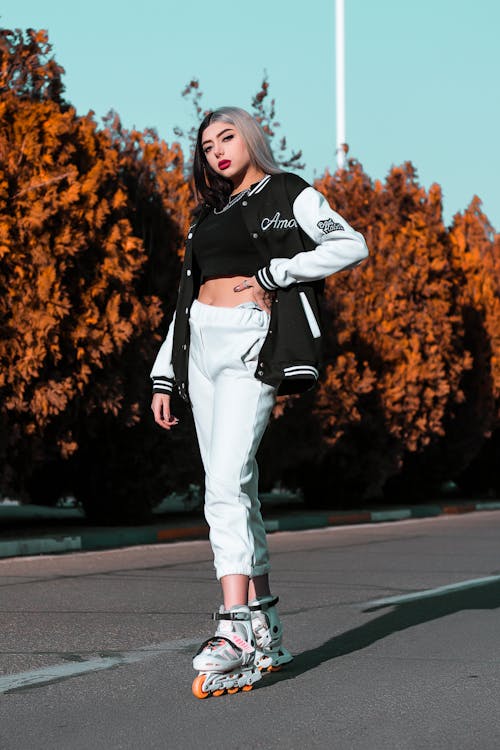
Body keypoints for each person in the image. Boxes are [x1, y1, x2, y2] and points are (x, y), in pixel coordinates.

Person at [150, 106, 369, 698]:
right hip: (200, 345)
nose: (217, 150)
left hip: (251, 339)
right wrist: (163, 375)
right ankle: (265, 620)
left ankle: (235, 629)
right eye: (206, 145)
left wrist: (278, 273)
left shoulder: (288, 191)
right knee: (235, 487)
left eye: (227, 137)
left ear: (249, 138)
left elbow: (350, 244)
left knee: (224, 482)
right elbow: (184, 298)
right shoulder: (208, 215)